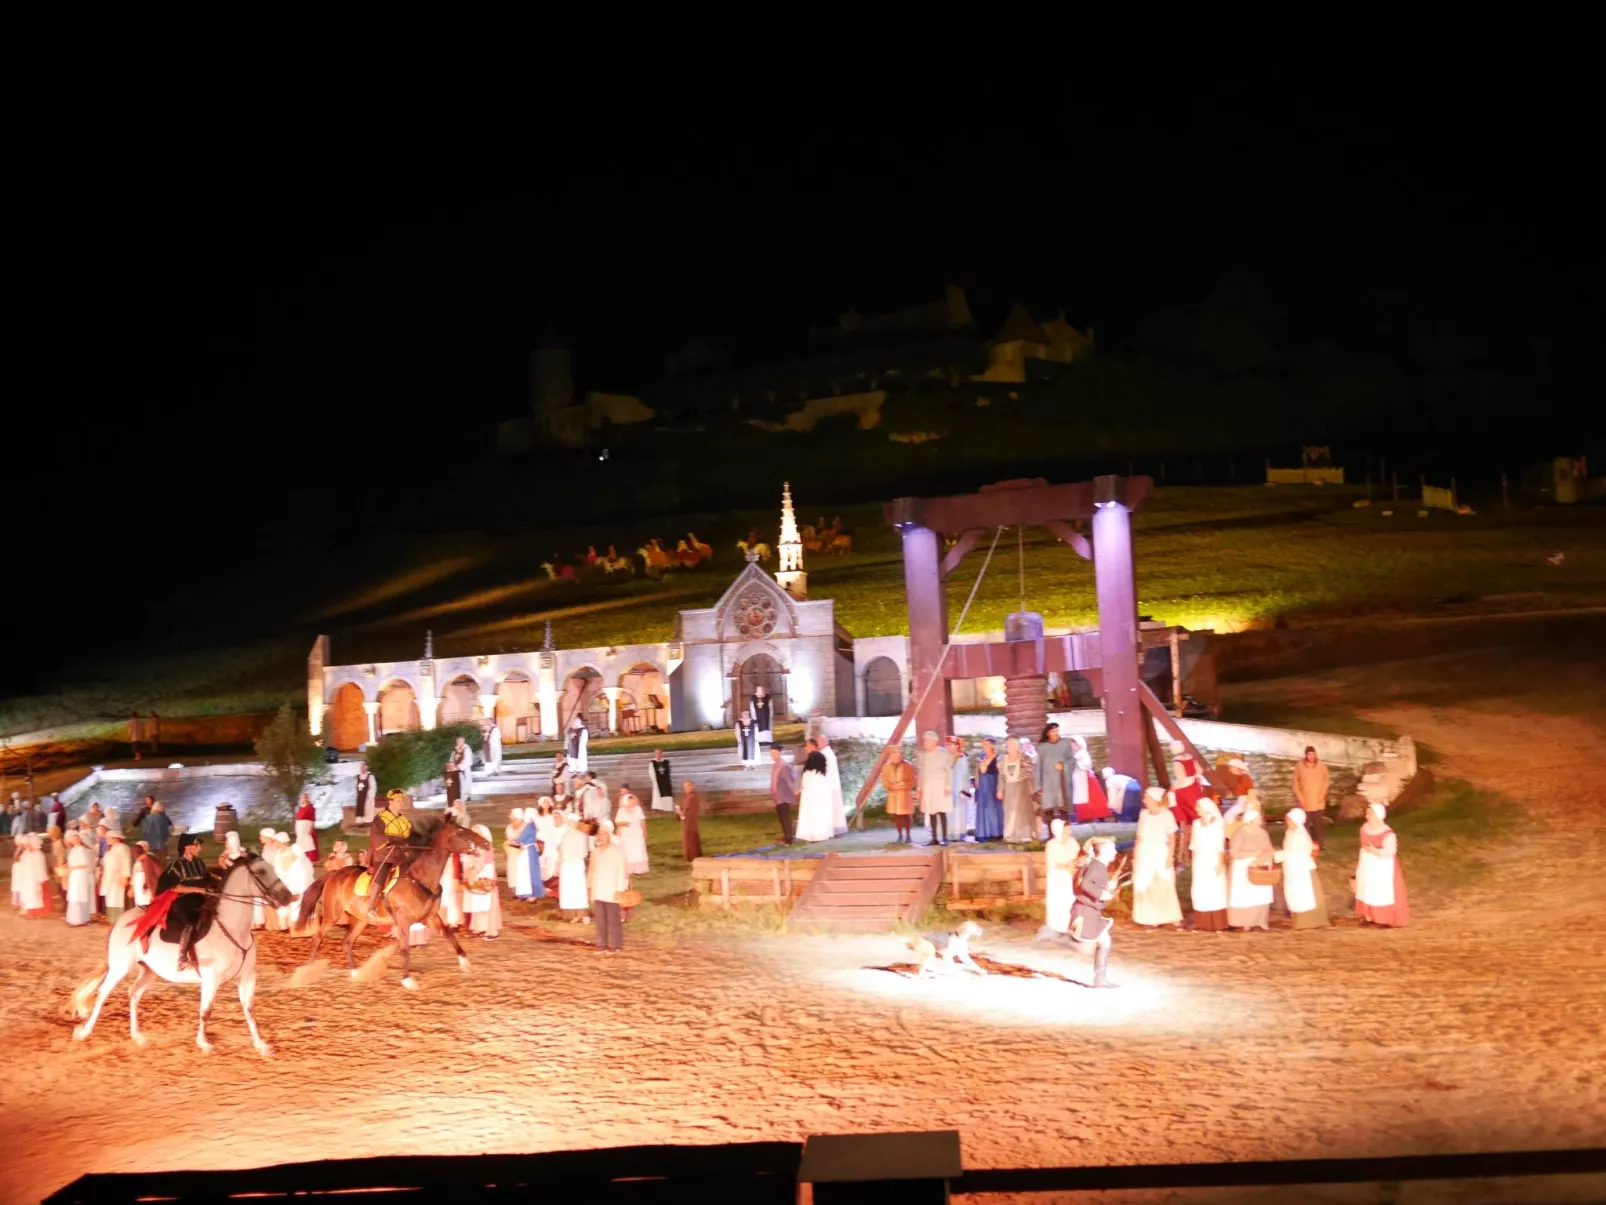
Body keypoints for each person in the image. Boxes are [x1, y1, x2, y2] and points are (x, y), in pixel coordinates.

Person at [1070, 837, 1122, 988]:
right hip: (1086, 912)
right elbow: (1086, 884)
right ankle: (1054, 936)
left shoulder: (1096, 865)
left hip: (1088, 910)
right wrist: (1102, 894)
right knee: (1085, 949)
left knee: (1104, 941)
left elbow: (1090, 883)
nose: (1116, 851)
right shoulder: (1097, 866)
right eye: (1112, 849)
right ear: (1104, 851)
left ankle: (1100, 979)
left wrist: (1107, 887)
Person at [155, 833, 212, 968]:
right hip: (181, 901)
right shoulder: (176, 866)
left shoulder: (200, 863)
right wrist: (199, 890)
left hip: (200, 899)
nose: (199, 848)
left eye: (199, 845)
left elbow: (208, 880)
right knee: (190, 924)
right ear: (187, 847)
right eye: (196, 845)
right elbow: (175, 887)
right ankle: (182, 957)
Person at [1131, 788, 1183, 927]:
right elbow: (1139, 836)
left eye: (1146, 798)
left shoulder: (1167, 815)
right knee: (1145, 883)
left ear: (1155, 799)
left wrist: (1170, 856)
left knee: (1163, 883)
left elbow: (1172, 838)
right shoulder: (1144, 814)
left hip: (1160, 851)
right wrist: (1135, 855)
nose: (1144, 801)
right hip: (1145, 851)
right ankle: (1149, 918)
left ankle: (1169, 916)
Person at [1355, 802, 1409, 927]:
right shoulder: (1364, 828)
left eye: (1371, 814)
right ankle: (1370, 916)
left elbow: (1390, 851)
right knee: (1368, 888)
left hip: (1382, 866)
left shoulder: (1387, 834)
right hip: (1367, 864)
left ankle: (1385, 919)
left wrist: (1375, 851)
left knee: (1381, 891)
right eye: (1367, 813)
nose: (1367, 816)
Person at [1227, 802, 1275, 931]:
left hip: (1260, 866)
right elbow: (1234, 852)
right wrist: (1252, 854)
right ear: (1251, 820)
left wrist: (1262, 860)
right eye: (1258, 818)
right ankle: (1245, 922)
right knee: (1245, 896)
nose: (1260, 820)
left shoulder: (1263, 833)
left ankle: (1261, 920)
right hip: (1244, 867)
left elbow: (1269, 849)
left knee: (1261, 894)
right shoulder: (1240, 832)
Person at [1279, 808, 1330, 929]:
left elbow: (1291, 852)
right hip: (1292, 869)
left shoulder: (1300, 836)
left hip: (1301, 870)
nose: (1287, 822)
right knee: (1295, 895)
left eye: (1289, 820)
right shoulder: (1290, 833)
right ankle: (1298, 921)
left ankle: (1310, 921)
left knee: (1304, 895)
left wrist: (1275, 855)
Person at [1188, 797, 1230, 931]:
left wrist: (1220, 862)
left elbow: (1220, 845)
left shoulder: (1217, 823)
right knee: (1201, 890)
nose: (1196, 809)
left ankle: (1218, 924)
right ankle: (1203, 923)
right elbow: (1194, 844)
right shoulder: (1196, 824)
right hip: (1200, 861)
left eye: (1198, 807)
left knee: (1215, 890)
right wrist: (1193, 863)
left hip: (1213, 859)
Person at [588, 825, 630, 953]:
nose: (600, 836)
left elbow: (622, 871)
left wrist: (620, 888)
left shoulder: (617, 852)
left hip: (612, 890)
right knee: (600, 919)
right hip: (599, 889)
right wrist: (589, 886)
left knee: (613, 919)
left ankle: (615, 944)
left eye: (604, 834)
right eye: (599, 834)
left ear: (609, 836)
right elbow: (592, 871)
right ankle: (601, 944)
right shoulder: (595, 852)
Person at [914, 730, 954, 846]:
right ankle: (934, 838)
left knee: (942, 812)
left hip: (940, 784)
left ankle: (945, 838)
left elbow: (949, 771)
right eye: (924, 740)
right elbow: (921, 773)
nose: (925, 742)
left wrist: (948, 786)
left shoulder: (944, 753)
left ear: (933, 741)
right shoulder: (923, 755)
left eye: (926, 740)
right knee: (931, 812)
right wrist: (919, 789)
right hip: (928, 785)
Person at [1041, 818, 1079, 939]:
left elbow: (1076, 855)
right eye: (1066, 830)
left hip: (1070, 875)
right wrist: (1066, 866)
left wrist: (1074, 865)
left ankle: (1069, 925)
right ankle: (1056, 927)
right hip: (1057, 876)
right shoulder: (1052, 845)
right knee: (1058, 902)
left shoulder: (1072, 842)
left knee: (1070, 901)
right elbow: (1053, 863)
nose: (1069, 832)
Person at [464, 823, 502, 940]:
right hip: (474, 873)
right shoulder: (473, 846)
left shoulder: (486, 845)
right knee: (476, 901)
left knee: (486, 900)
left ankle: (491, 930)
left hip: (485, 873)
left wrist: (474, 870)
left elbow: (484, 859)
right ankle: (478, 927)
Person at [1033, 723, 1073, 836]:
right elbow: (1038, 768)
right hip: (1047, 783)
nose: (1056, 733)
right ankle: (1051, 835)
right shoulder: (1042, 748)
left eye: (1057, 731)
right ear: (1047, 733)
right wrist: (1038, 786)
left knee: (1063, 810)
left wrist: (1063, 765)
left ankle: (1066, 835)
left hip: (1062, 783)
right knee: (1048, 810)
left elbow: (1072, 760)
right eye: (1053, 731)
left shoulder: (1065, 744)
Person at [1293, 746, 1331, 851]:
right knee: (1306, 825)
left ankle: (1320, 845)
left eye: (1313, 754)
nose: (1311, 756)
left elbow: (1326, 780)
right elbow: (1295, 784)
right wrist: (1301, 799)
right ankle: (1307, 845)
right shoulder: (1299, 766)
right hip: (1305, 801)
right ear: (1306, 755)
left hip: (1318, 801)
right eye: (1309, 754)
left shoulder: (1321, 766)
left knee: (1319, 825)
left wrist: (1322, 794)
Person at [1001, 736, 1036, 843]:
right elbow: (1001, 776)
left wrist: (1031, 787)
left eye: (1012, 745)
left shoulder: (1024, 758)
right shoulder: (1003, 760)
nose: (1010, 747)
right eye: (1008, 745)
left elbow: (1030, 774)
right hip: (1008, 789)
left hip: (1022, 789)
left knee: (1022, 812)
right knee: (1010, 812)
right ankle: (1010, 835)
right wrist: (1000, 789)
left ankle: (1024, 835)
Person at [879, 745, 916, 844]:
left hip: (904, 795)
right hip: (893, 795)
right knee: (897, 816)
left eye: (899, 754)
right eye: (894, 754)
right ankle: (900, 835)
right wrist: (891, 786)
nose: (897, 756)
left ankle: (908, 835)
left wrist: (903, 785)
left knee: (906, 815)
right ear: (891, 756)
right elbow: (884, 781)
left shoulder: (908, 766)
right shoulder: (886, 767)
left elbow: (912, 780)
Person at [558, 813, 591, 921]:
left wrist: (571, 856)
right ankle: (573, 914)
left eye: (571, 822)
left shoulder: (581, 835)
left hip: (576, 864)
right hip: (567, 865)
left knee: (578, 888)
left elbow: (583, 852)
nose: (569, 824)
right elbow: (561, 849)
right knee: (569, 889)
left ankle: (583, 914)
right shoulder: (565, 835)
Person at [1070, 735, 1110, 822]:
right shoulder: (1076, 754)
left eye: (1073, 744)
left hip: (1085, 778)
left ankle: (1093, 816)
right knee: (1084, 798)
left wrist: (1075, 763)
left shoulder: (1082, 753)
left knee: (1092, 798)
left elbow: (1087, 765)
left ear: (1078, 744)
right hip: (1079, 779)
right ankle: (1084, 817)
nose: (1072, 746)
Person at [970, 738, 1003, 842]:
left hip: (993, 783)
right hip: (983, 784)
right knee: (983, 807)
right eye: (983, 744)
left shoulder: (997, 757)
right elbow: (979, 771)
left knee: (993, 807)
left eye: (987, 744)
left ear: (992, 745)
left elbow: (997, 772)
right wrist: (977, 785)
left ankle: (995, 832)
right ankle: (984, 832)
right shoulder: (981, 757)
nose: (985, 746)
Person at [1169, 740, 1204, 832]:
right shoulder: (1190, 757)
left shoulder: (1177, 761)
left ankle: (1183, 828)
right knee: (1196, 809)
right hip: (1194, 786)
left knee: (1173, 799)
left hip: (1185, 789)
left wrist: (1173, 788)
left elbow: (1181, 779)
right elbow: (1200, 770)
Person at [818, 733, 848, 835]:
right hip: (830, 786)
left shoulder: (826, 754)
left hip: (829, 786)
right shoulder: (825, 753)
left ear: (825, 742)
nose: (818, 743)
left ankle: (833, 829)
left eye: (820, 741)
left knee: (832, 809)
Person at [769, 746, 798, 844]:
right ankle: (786, 837)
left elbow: (789, 780)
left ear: (779, 753)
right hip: (778, 796)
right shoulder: (776, 765)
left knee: (785, 817)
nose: (772, 755)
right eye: (771, 753)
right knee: (782, 817)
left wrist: (795, 791)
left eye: (774, 753)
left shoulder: (783, 766)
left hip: (783, 795)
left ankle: (789, 839)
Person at [616, 789, 649, 874]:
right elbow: (617, 822)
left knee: (638, 850)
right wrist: (624, 823)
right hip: (626, 834)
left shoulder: (638, 809)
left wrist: (645, 831)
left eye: (633, 800)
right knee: (628, 851)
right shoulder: (621, 810)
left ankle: (638, 869)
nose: (632, 802)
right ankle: (628, 869)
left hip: (637, 833)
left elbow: (642, 821)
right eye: (630, 801)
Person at [948, 736, 974, 841]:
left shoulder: (962, 758)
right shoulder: (947, 757)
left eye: (951, 744)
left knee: (959, 810)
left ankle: (959, 833)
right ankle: (950, 833)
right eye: (948, 744)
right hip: (949, 786)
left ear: (957, 745)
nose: (949, 746)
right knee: (949, 811)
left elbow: (965, 774)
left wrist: (965, 789)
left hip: (959, 786)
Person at [18, 834, 49, 918]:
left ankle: (37, 913)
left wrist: (40, 878)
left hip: (34, 877)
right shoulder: (29, 853)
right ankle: (31, 912)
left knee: (35, 894)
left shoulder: (38, 854)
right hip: (28, 877)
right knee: (29, 894)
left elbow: (40, 867)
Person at [504, 808, 533, 900]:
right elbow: (508, 839)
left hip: (522, 852)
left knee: (522, 872)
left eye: (511, 814)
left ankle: (524, 892)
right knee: (512, 871)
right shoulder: (509, 827)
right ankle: (515, 890)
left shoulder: (525, 826)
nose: (509, 816)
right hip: (512, 853)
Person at [534, 798, 561, 884]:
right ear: (541, 804)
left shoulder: (552, 816)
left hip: (551, 839)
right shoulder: (537, 816)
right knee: (542, 859)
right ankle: (542, 878)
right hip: (541, 840)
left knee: (551, 857)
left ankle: (551, 878)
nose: (546, 804)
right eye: (544, 802)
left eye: (548, 802)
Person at [677, 782, 704, 861]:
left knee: (691, 837)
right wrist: (679, 811)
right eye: (685, 786)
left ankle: (693, 855)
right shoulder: (686, 796)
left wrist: (684, 814)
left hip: (690, 820)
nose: (686, 788)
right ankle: (690, 854)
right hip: (686, 820)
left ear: (692, 786)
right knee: (687, 837)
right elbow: (683, 806)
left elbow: (694, 808)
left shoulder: (693, 796)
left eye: (688, 786)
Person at [132, 840, 162, 907]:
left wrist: (153, 894)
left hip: (148, 892)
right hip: (145, 890)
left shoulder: (147, 860)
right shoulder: (144, 860)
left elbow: (149, 878)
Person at [294, 793, 318, 862]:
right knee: (300, 841)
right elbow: (298, 818)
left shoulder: (311, 807)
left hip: (307, 826)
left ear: (307, 798)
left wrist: (311, 827)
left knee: (308, 842)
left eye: (305, 797)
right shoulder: (300, 807)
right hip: (300, 826)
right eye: (302, 797)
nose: (304, 799)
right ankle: (300, 856)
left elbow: (313, 818)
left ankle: (310, 858)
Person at [450, 735, 474, 802]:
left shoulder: (466, 749)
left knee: (465, 784)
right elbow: (452, 758)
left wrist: (459, 766)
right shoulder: (455, 750)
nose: (458, 742)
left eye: (459, 741)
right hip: (456, 770)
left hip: (464, 770)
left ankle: (466, 797)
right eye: (457, 741)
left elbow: (467, 760)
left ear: (463, 741)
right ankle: (458, 797)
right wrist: (452, 765)